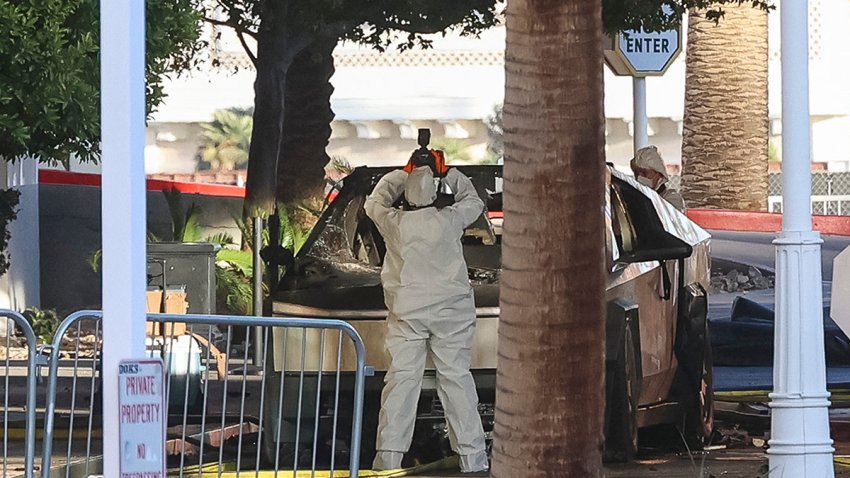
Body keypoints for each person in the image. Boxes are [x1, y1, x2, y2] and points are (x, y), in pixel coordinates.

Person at [364, 164, 489, 473]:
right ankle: (473, 460)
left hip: (407, 313)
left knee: (401, 382)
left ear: (406, 194)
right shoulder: (449, 220)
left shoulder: (395, 223)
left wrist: (400, 174)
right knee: (457, 381)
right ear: (435, 195)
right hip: (452, 314)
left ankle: (388, 458)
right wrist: (449, 172)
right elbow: (473, 201)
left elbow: (374, 202)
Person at [630, 145, 686, 211]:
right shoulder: (634, 199)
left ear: (659, 174)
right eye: (636, 173)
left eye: (644, 173)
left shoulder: (672, 199)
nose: (639, 177)